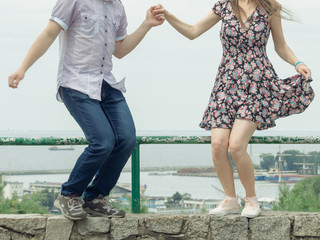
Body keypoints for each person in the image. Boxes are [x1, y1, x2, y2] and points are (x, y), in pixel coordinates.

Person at [153, 0, 314, 218]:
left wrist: (297, 63)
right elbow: (192, 31)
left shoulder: (270, 8)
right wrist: (168, 15)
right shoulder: (224, 6)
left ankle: (252, 200)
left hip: (257, 84)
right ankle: (230, 199)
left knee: (236, 146)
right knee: (218, 144)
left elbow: (281, 46)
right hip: (226, 84)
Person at [8, 0, 164, 220]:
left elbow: (119, 50)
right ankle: (68, 195)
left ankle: (95, 198)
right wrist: (22, 68)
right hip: (75, 84)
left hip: (106, 84)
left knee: (127, 139)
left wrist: (146, 24)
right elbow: (49, 33)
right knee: (103, 141)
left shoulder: (117, 7)